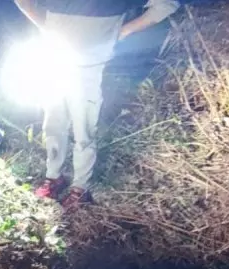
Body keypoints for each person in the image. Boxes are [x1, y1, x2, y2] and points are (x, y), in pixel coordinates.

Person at [14, 0, 180, 209]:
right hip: (55, 63)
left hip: (89, 71)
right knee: (53, 125)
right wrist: (45, 25)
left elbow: (167, 4)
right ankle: (53, 177)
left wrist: (123, 31)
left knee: (84, 130)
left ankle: (80, 188)